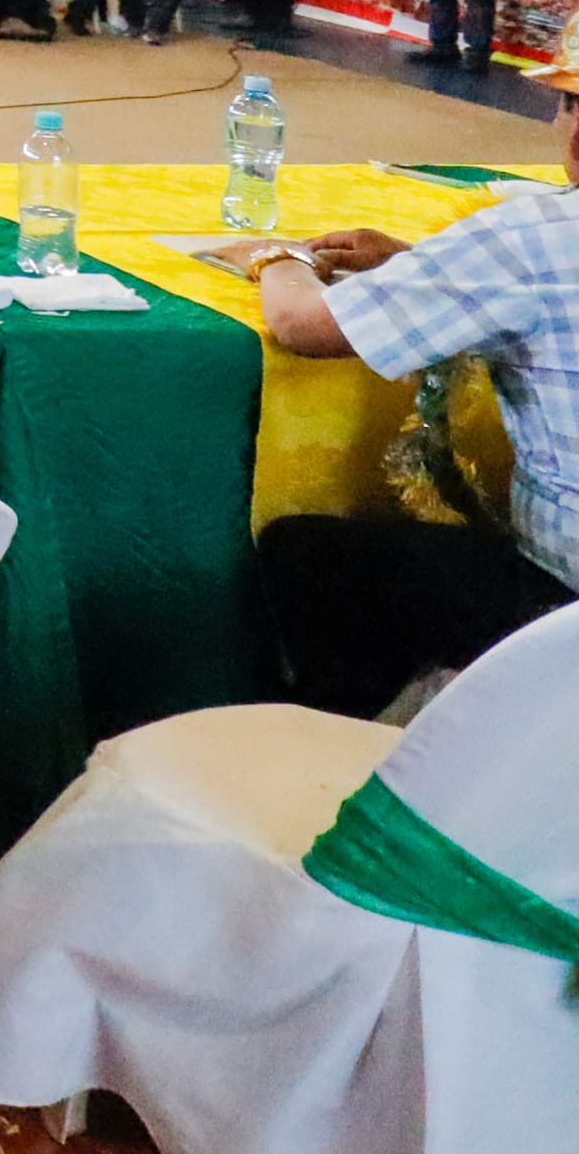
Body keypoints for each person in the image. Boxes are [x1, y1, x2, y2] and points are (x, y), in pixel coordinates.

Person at [246, 48, 579, 718]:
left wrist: (277, 258)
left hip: (561, 606)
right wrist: (419, 264)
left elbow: (304, 324)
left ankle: (363, 749)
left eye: (568, 104)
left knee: (311, 551)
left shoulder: (535, 235)